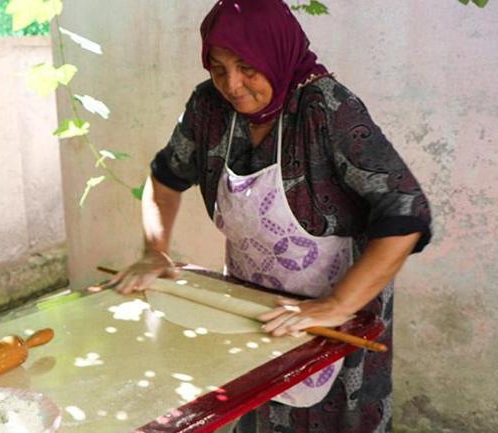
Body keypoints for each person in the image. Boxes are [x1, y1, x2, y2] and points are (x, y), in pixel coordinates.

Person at [103, 0, 432, 432]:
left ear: (275, 53)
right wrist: (153, 252)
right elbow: (165, 175)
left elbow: (406, 209)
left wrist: (337, 305)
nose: (232, 85)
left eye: (247, 67)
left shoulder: (325, 109)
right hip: (252, 308)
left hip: (335, 320)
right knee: (257, 408)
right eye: (218, 68)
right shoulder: (208, 108)